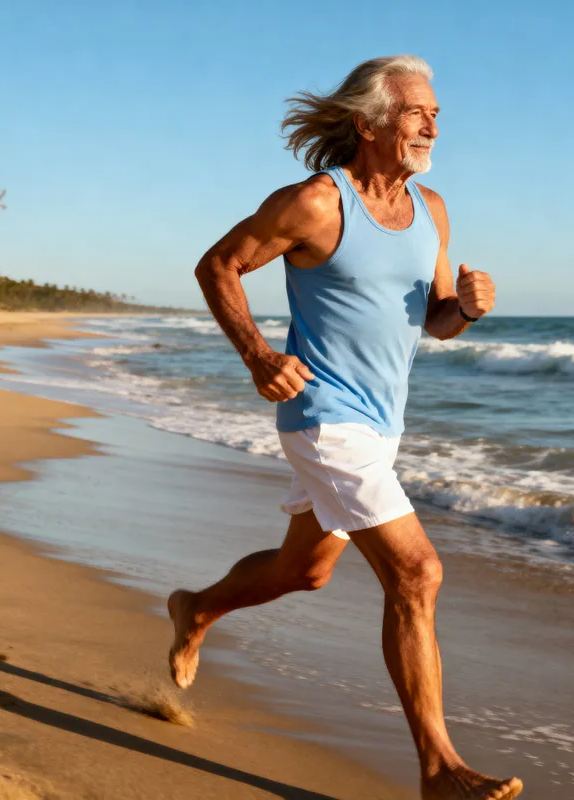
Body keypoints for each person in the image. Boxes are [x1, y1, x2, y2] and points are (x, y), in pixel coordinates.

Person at [168, 55, 523, 800]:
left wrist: (467, 307)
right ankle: (440, 771)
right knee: (417, 574)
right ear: (368, 123)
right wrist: (259, 355)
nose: (431, 124)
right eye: (416, 112)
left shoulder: (433, 210)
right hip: (322, 418)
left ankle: (195, 608)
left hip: (381, 424)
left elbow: (434, 321)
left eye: (435, 114)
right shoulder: (317, 205)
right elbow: (219, 265)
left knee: (307, 571)